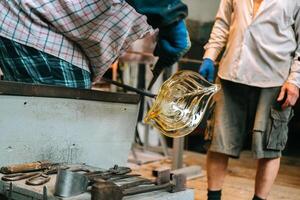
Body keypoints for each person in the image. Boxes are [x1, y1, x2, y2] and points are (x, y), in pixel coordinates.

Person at [199, 0, 300, 200]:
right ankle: (213, 197)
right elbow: (222, 24)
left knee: (269, 147)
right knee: (218, 141)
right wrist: (209, 57)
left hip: (274, 79)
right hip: (231, 74)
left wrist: (295, 80)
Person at [0, 0, 190, 89]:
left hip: (62, 30)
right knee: (63, 126)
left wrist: (164, 23)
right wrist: (172, 17)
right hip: (36, 17)